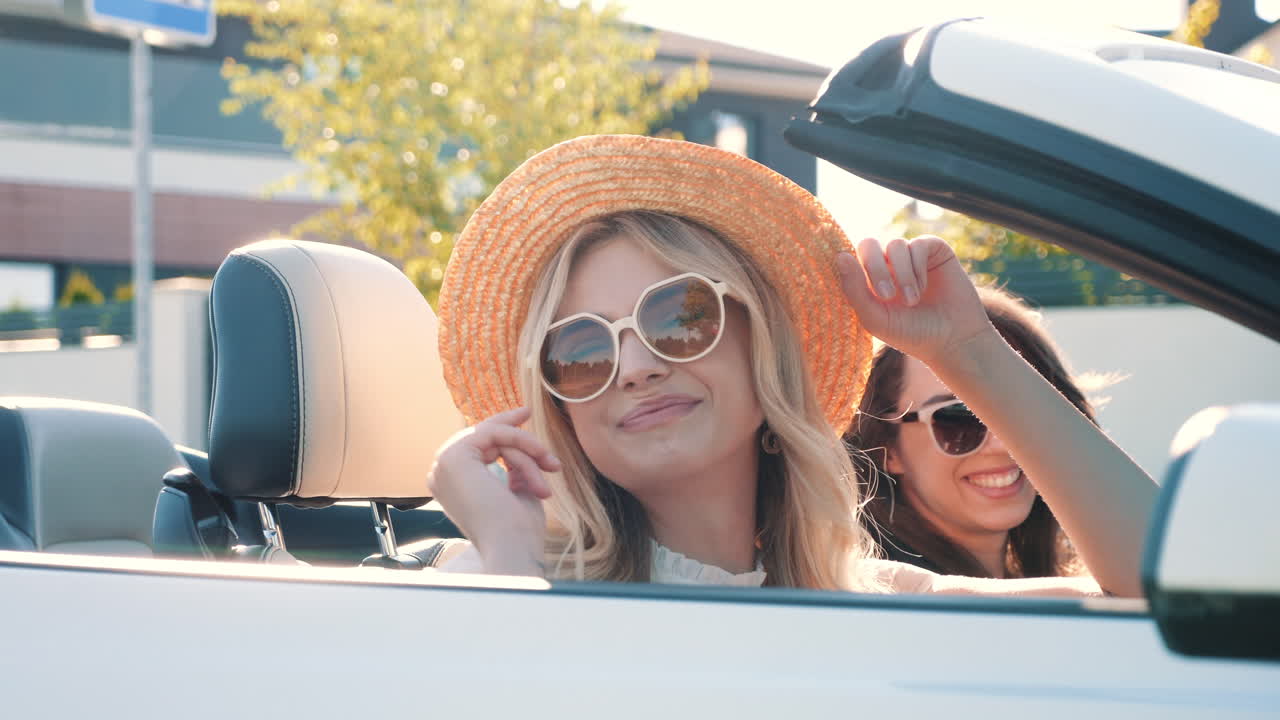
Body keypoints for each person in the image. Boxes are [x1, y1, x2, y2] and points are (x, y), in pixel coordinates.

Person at [427, 134, 1157, 597]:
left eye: (679, 316)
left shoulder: (873, 599)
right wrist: (511, 556)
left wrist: (967, 350)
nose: (636, 366)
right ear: (560, 409)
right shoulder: (498, 579)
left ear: (765, 345)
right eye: (582, 350)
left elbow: (1166, 586)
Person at [846, 286, 1099, 579]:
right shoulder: (886, 589)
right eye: (958, 418)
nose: (1004, 445)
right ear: (887, 448)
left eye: (1027, 409)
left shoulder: (1060, 580)